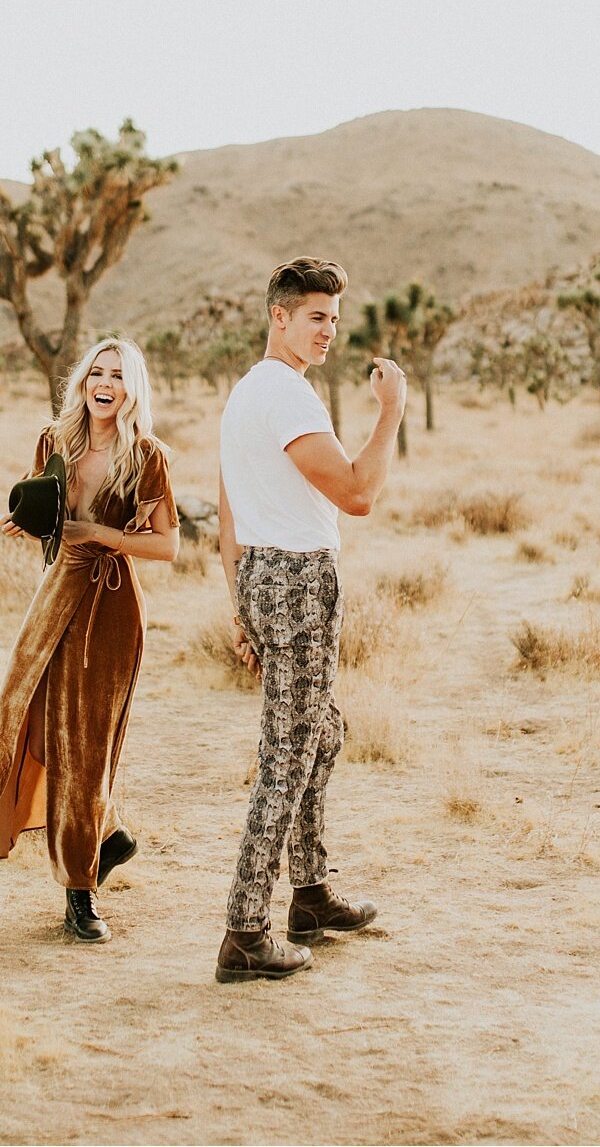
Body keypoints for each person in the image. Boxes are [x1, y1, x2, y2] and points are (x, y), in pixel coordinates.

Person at [214, 257, 408, 983]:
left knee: (320, 732)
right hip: (298, 580)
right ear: (280, 318)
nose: (328, 330)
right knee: (288, 755)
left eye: (333, 318)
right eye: (316, 317)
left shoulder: (244, 396)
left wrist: (240, 600)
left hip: (265, 573)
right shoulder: (287, 397)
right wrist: (390, 412)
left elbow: (229, 510)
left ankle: (312, 893)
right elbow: (358, 493)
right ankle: (243, 930)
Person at [0, 338, 179, 944]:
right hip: (56, 590)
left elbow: (167, 545)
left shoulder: (147, 456)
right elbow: (44, 514)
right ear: (83, 380)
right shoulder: (53, 442)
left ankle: (79, 891)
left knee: (84, 744)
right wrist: (23, 522)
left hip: (111, 606)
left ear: (132, 387)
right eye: (97, 371)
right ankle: (107, 833)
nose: (105, 382)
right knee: (29, 720)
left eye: (118, 374)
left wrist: (99, 533)